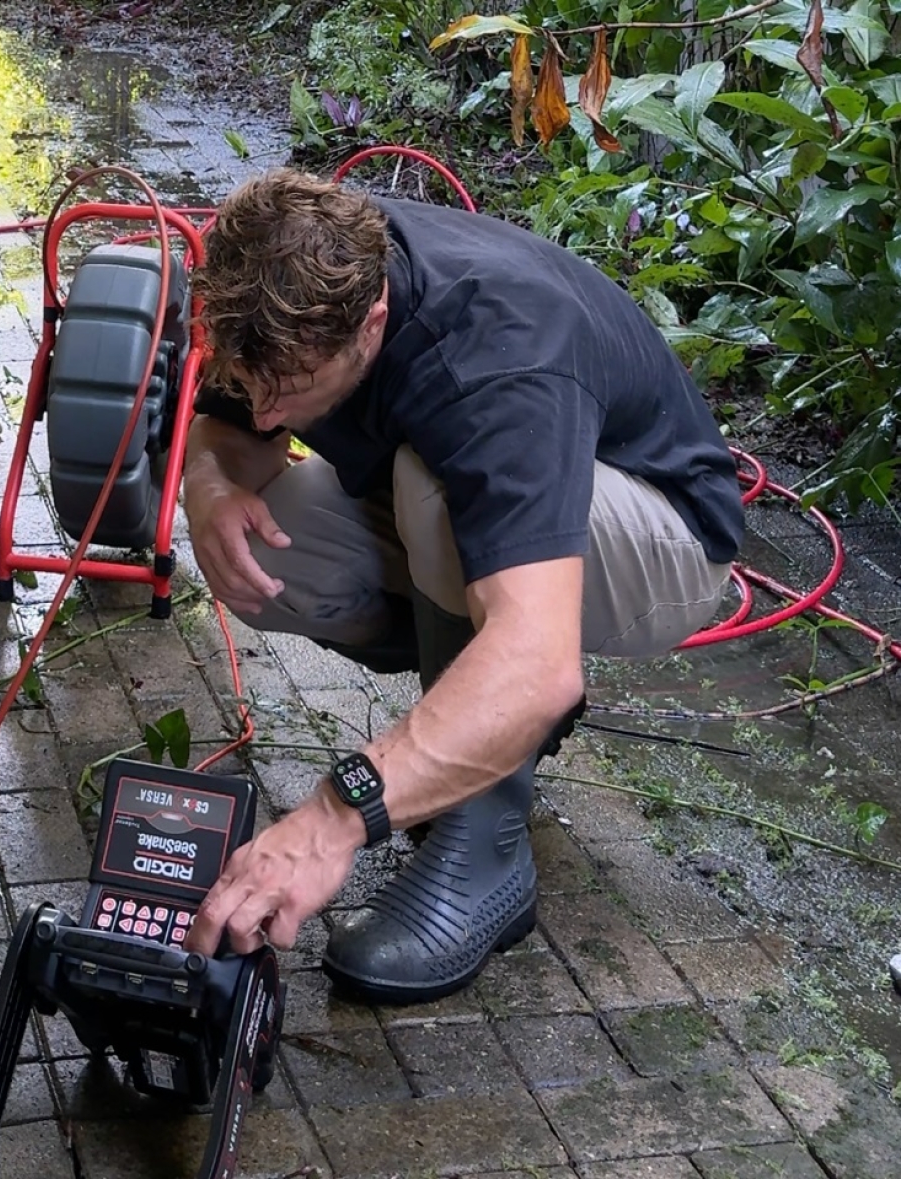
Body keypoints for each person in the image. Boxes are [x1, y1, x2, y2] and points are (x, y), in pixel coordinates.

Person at [178, 168, 744, 1005]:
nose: (264, 413)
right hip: (496, 503)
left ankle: (487, 845)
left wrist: (332, 820)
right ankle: (479, 706)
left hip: (666, 537)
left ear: (371, 323)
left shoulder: (489, 365)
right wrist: (210, 484)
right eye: (248, 381)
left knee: (435, 490)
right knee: (273, 539)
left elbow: (541, 663)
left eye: (288, 391)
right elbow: (230, 426)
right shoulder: (284, 280)